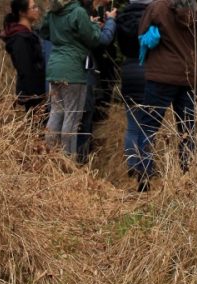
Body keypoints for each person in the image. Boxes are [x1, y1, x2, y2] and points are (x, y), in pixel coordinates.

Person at [134, 0, 197, 192]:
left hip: (160, 76)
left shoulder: (156, 8)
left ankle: (144, 178)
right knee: (187, 128)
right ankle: (188, 177)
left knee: (148, 126)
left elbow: (141, 35)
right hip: (189, 76)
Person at [41, 0, 117, 159]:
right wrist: (98, 25)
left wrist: (69, 34)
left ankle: (49, 159)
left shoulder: (52, 12)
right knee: (72, 117)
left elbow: (44, 32)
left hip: (54, 68)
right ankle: (67, 162)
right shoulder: (78, 12)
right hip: (73, 71)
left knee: (56, 113)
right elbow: (96, 39)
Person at [116, 0, 154, 177]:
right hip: (148, 70)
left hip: (128, 70)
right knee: (148, 125)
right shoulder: (153, 16)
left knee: (132, 125)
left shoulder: (122, 17)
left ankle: (132, 163)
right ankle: (146, 166)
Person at [76, 0, 118, 162]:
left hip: (98, 72)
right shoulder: (81, 12)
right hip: (86, 73)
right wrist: (109, 23)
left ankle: (86, 160)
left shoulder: (88, 11)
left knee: (88, 119)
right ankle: (80, 161)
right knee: (82, 119)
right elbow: (100, 40)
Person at [0, 0, 47, 112]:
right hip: (33, 93)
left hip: (41, 88)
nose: (37, 10)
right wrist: (34, 96)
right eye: (33, 7)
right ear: (22, 12)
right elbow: (25, 69)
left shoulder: (31, 33)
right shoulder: (20, 38)